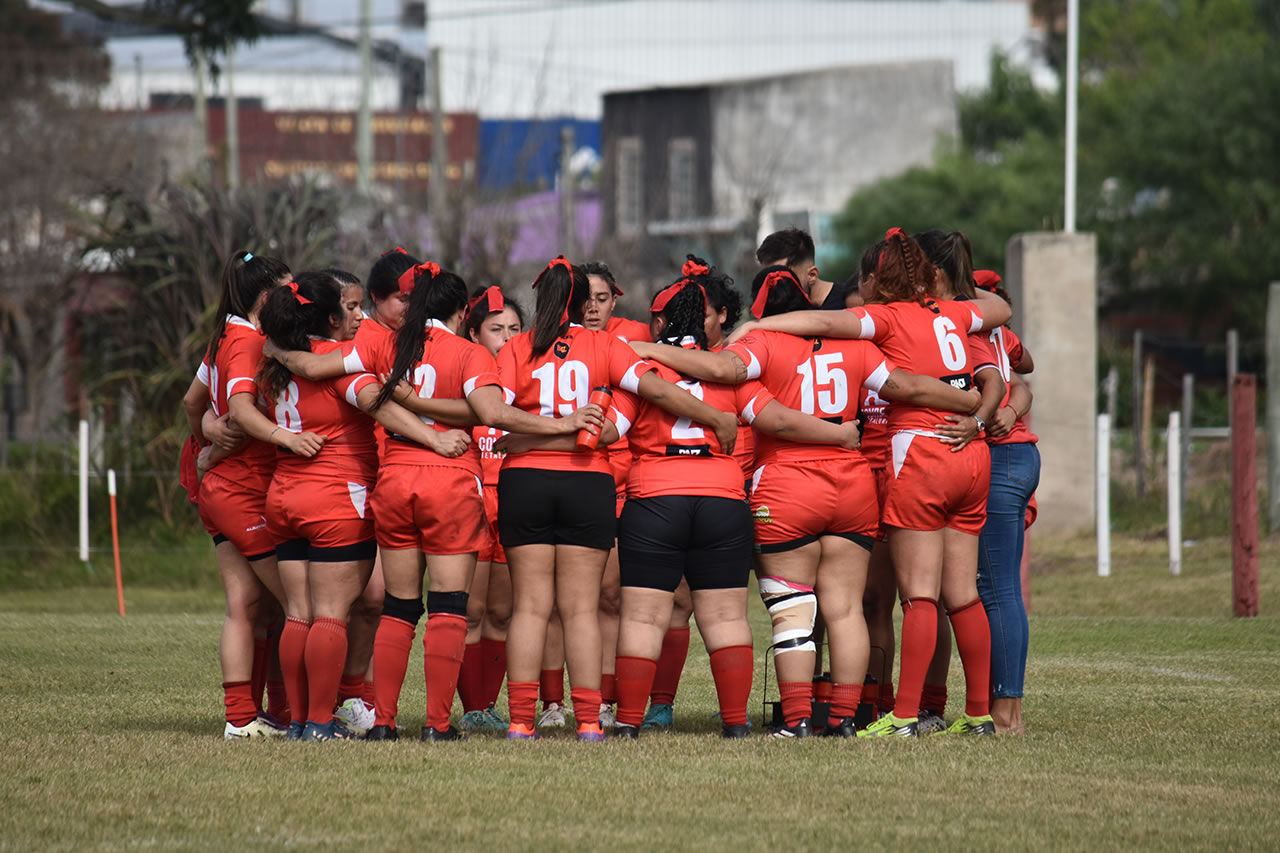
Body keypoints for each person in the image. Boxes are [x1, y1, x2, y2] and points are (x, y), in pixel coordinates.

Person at [633, 264, 982, 738]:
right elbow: (912, 387)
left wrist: (644, 350)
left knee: (793, 606)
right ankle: (842, 718)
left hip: (788, 482)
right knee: (845, 609)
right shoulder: (856, 347)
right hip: (853, 484)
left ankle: (796, 718)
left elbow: (729, 377)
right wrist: (975, 407)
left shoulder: (761, 343)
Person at [728, 228, 1013, 737]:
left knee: (920, 596)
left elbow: (820, 320)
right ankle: (978, 714)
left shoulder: (881, 317)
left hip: (920, 452)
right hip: (971, 453)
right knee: (963, 594)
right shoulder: (956, 313)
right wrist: (951, 294)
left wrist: (757, 326)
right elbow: (999, 309)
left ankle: (901, 717)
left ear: (878, 280)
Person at [610, 266, 864, 739]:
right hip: (723, 498)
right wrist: (841, 434)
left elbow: (611, 431)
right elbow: (773, 418)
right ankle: (734, 724)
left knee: (645, 616)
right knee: (726, 616)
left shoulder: (641, 371)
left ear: (661, 326)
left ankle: (626, 724)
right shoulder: (729, 372)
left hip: (656, 496)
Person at [493, 256, 737, 741]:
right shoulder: (605, 344)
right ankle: (588, 721)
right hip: (587, 483)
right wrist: (716, 418)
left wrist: (526, 441)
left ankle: (521, 721)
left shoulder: (516, 347)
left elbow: (498, 415)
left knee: (530, 607)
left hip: (524, 480)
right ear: (583, 302)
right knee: (582, 609)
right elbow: (659, 393)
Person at [362, 264, 601, 742]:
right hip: (449, 480)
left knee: (398, 606)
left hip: (394, 475)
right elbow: (491, 413)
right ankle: (436, 724)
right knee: (450, 607)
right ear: (461, 312)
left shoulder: (384, 345)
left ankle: (384, 722)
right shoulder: (468, 353)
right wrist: (562, 424)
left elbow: (343, 379)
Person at [255, 270, 471, 741]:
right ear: (329, 318)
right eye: (351, 310)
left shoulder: (274, 362)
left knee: (298, 613)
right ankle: (317, 722)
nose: (359, 317)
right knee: (331, 614)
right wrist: (434, 438)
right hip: (333, 496)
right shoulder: (338, 360)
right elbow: (381, 405)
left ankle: (295, 720)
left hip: (284, 495)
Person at [181, 251, 297, 738]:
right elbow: (244, 412)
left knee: (248, 604)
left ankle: (244, 717)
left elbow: (192, 402)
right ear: (267, 297)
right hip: (242, 492)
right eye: (289, 291)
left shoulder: (225, 334)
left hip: (222, 489)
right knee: (299, 604)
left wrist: (206, 436)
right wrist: (280, 437)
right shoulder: (249, 342)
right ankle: (296, 714)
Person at [973, 269, 1040, 734]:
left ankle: (1005, 714)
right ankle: (1006, 708)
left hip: (1000, 458)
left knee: (996, 590)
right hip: (1021, 454)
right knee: (1003, 589)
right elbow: (1026, 370)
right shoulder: (1001, 333)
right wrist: (1015, 405)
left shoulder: (968, 328)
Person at [456, 286, 525, 732]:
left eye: (515, 329)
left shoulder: (532, 373)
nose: (505, 337)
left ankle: (488, 706)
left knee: (503, 612)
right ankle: (470, 709)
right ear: (474, 331)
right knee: (470, 611)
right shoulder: (460, 373)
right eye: (496, 329)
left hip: (518, 498)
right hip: (471, 501)